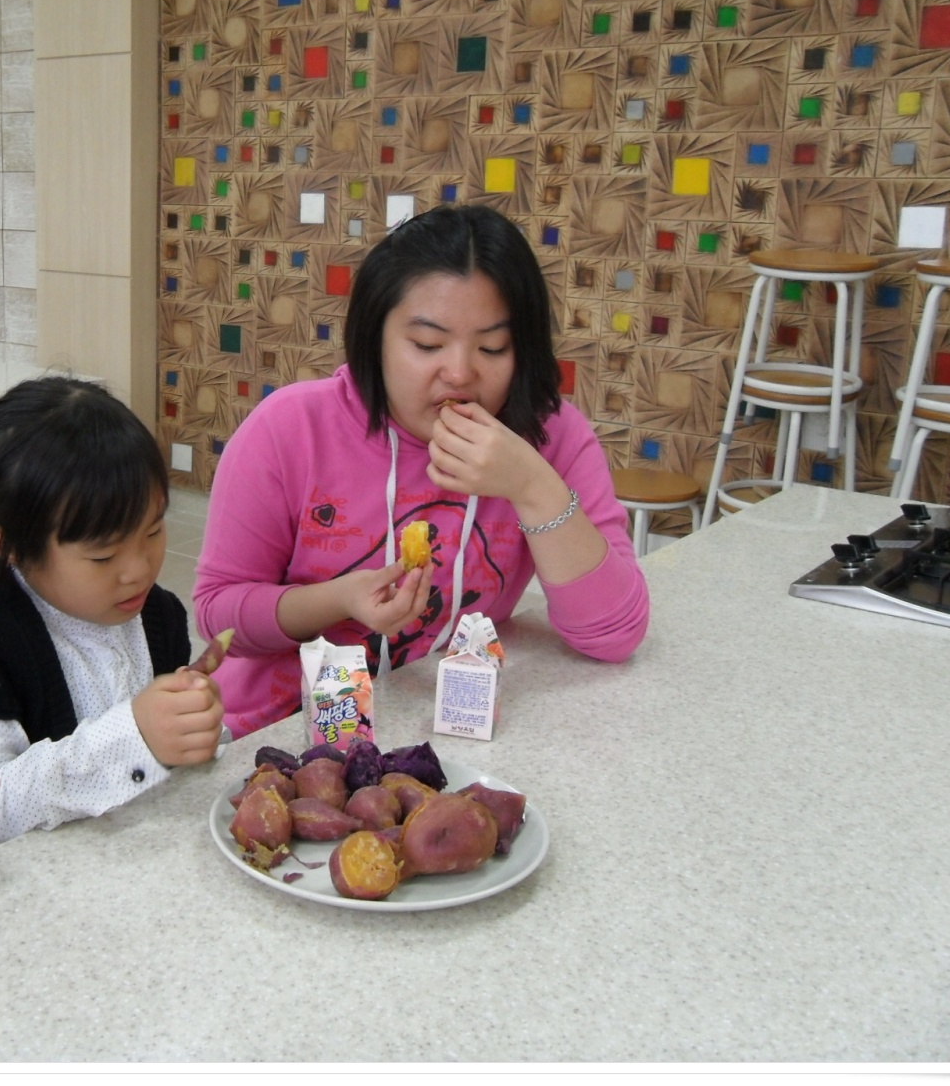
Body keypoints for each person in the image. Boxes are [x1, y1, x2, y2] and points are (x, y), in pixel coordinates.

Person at [195, 204, 650, 737]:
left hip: (443, 727)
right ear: (375, 338)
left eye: (492, 347)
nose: (459, 373)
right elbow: (216, 618)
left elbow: (615, 635)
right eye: (427, 345)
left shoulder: (550, 440)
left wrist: (531, 486)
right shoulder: (289, 429)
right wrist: (339, 599)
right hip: (281, 731)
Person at [0, 376, 224, 862]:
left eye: (152, 532)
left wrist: (195, 729)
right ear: (4, 544)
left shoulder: (159, 615)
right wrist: (133, 736)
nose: (138, 570)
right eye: (103, 557)